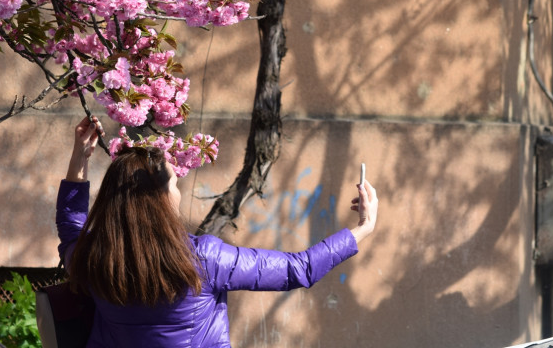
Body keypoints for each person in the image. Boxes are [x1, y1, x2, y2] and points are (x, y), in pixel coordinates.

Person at [56, 117, 378, 348]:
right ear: (160, 201)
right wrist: (361, 230)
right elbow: (300, 269)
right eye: (174, 185)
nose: (178, 193)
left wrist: (79, 159)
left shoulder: (94, 258)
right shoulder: (204, 259)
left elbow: (71, 229)